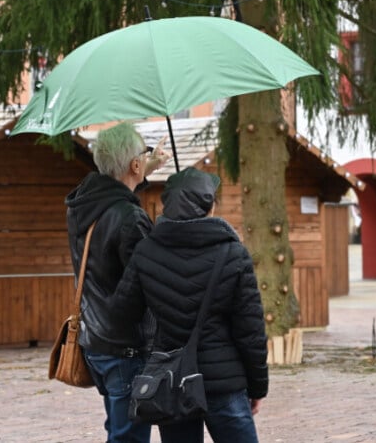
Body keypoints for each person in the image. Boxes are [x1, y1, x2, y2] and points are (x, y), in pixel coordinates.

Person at [114, 167, 269, 443]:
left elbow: (123, 315)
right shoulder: (233, 253)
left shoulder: (146, 252)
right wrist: (258, 386)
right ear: (209, 206)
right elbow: (251, 331)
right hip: (225, 383)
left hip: (172, 381)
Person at [65, 122, 168, 443]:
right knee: (129, 437)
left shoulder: (82, 205)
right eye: (143, 156)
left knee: (119, 430)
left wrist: (141, 170)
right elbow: (150, 282)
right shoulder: (129, 217)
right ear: (134, 164)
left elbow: (113, 193)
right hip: (126, 344)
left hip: (95, 339)